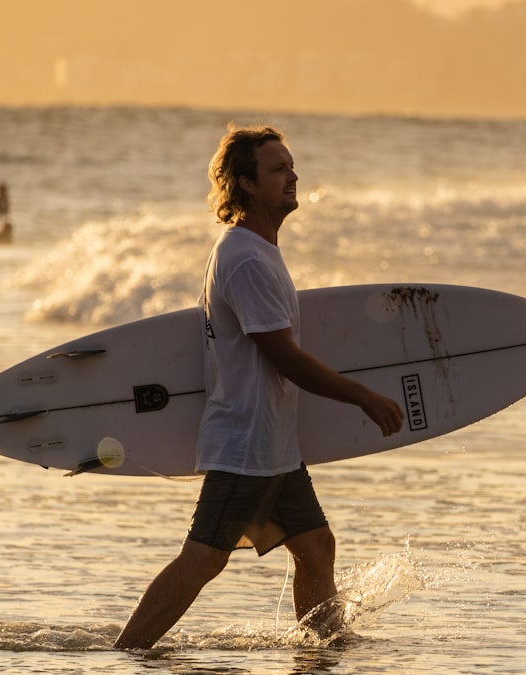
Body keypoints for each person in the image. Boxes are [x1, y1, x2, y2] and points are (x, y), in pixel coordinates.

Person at [113, 124, 405, 650]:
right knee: (204, 557)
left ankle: (319, 652)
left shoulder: (256, 249)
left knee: (316, 547)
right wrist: (362, 396)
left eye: (291, 166)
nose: (292, 176)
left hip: (272, 445)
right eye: (278, 169)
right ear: (246, 184)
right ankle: (126, 652)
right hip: (246, 444)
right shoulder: (246, 258)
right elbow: (283, 357)